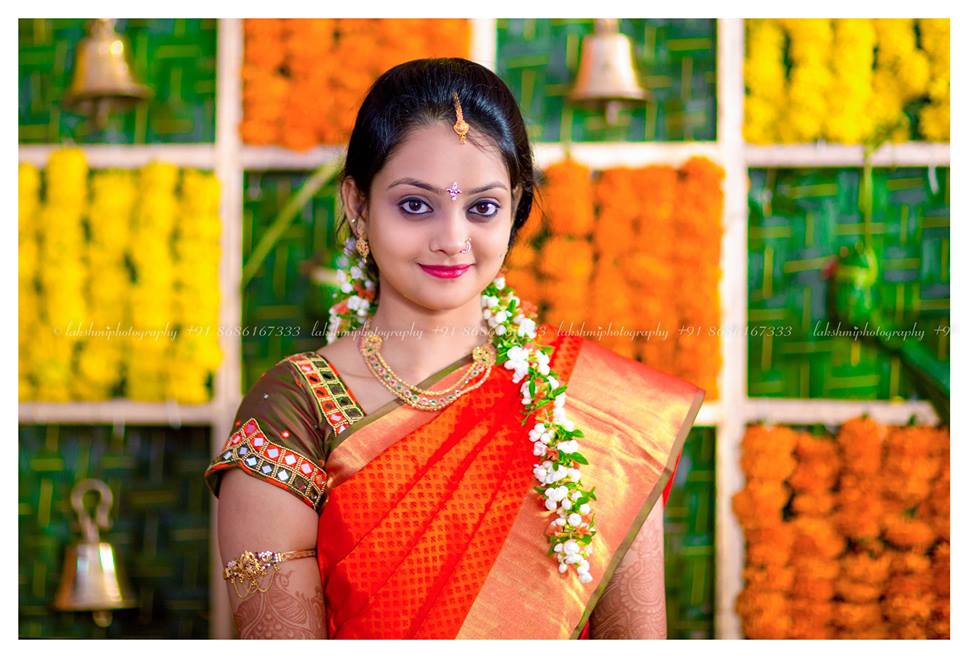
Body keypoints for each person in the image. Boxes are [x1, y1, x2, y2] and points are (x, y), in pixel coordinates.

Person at [204, 57, 704, 639]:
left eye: (482, 207)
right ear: (357, 205)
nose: (451, 239)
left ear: (516, 207)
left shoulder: (597, 407)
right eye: (415, 205)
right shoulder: (294, 410)